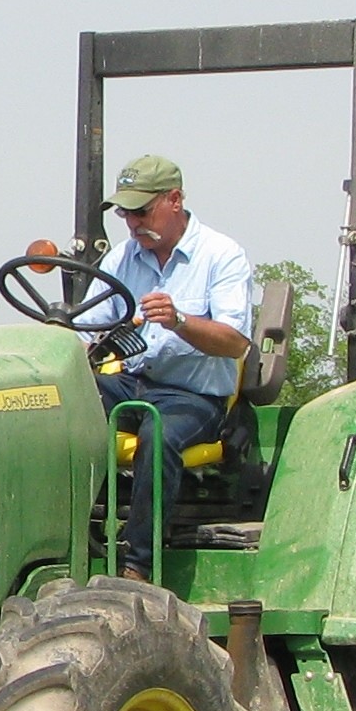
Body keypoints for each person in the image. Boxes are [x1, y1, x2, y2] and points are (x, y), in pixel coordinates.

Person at [83, 154, 252, 580]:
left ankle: (138, 565)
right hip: (130, 383)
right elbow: (87, 330)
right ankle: (60, 541)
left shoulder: (221, 255)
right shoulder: (121, 259)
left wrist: (180, 321)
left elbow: (234, 342)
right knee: (51, 402)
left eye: (142, 211)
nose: (134, 223)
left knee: (157, 433)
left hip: (194, 396)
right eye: (126, 214)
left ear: (174, 200)